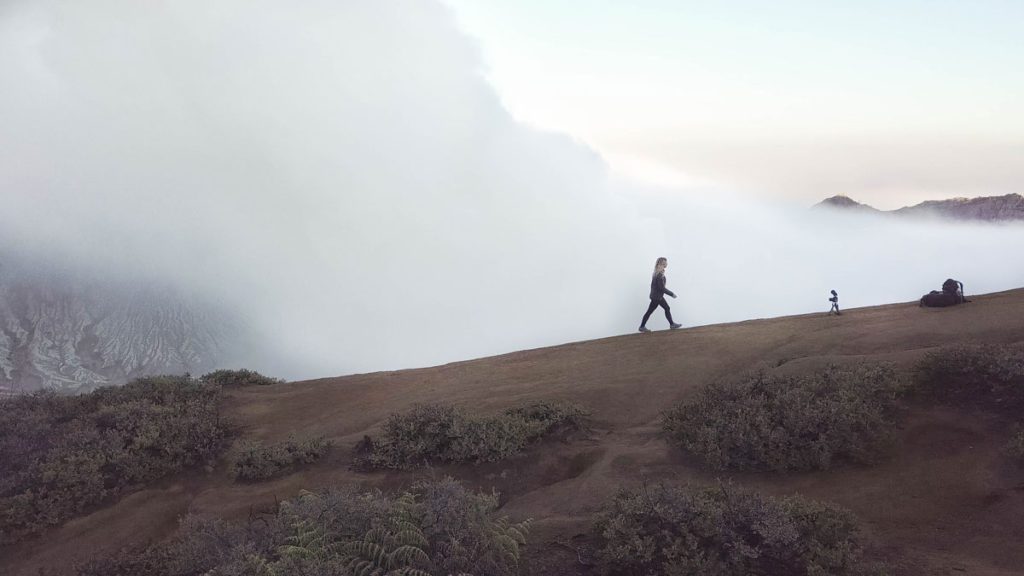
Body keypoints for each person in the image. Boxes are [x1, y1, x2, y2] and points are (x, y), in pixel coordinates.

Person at [639, 257, 682, 332]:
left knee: (650, 311)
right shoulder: (659, 274)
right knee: (666, 308)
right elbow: (661, 288)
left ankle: (642, 326)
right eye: (665, 262)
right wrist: (672, 294)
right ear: (662, 263)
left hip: (656, 296)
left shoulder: (658, 272)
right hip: (657, 297)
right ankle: (672, 324)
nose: (667, 263)